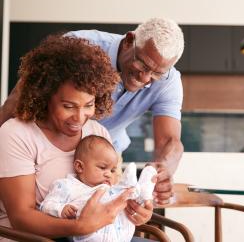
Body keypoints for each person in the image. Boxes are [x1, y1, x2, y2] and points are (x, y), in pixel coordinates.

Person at [0, 18, 185, 205]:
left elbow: (170, 141)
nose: (145, 78)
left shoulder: (168, 82)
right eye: (143, 65)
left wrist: (163, 170)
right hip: (46, 150)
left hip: (106, 158)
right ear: (129, 41)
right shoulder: (77, 46)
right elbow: (16, 104)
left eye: (157, 73)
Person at [0, 34, 153, 241]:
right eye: (68, 106)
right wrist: (79, 227)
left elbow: (110, 192)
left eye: (88, 105)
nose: (80, 118)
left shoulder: (97, 133)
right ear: (45, 97)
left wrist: (135, 210)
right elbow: (21, 217)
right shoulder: (16, 134)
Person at [40, 135, 157, 242]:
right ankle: (130, 187)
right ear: (79, 166)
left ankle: (140, 191)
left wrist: (136, 208)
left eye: (112, 170)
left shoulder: (109, 188)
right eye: (102, 167)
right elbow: (46, 205)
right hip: (87, 235)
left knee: (125, 197)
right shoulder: (66, 186)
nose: (109, 174)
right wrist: (61, 209)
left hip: (119, 235)